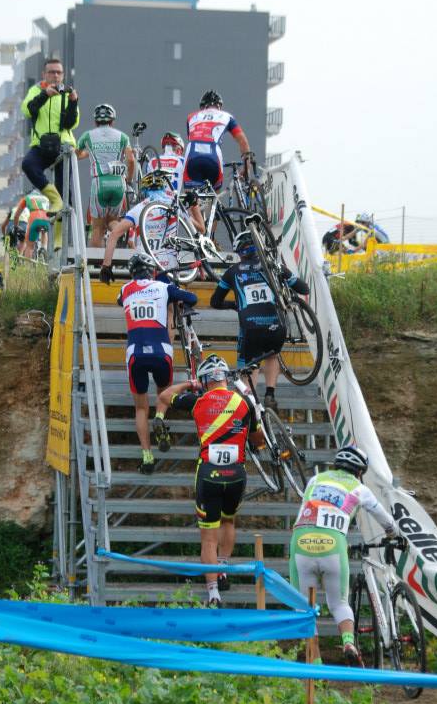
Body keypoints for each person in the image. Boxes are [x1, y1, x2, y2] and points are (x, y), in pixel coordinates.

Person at [154, 354, 264, 607]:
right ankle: (223, 566)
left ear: (205, 380)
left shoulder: (198, 400)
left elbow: (163, 397)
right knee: (229, 520)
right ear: (226, 377)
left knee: (208, 538)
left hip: (208, 474)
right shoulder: (245, 402)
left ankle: (213, 593)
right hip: (236, 474)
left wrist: (188, 384)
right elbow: (258, 440)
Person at [289, 445, 399, 667]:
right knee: (339, 603)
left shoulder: (316, 480)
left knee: (303, 609)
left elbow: (303, 509)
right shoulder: (359, 488)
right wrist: (393, 533)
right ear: (360, 472)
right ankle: (348, 642)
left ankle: (317, 667)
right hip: (333, 544)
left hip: (301, 541)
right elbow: (386, 520)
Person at [210, 229, 309, 412]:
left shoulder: (232, 272)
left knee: (249, 365)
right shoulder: (273, 265)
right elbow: (304, 288)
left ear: (239, 253)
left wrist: (235, 305)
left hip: (250, 329)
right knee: (272, 354)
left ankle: (251, 407)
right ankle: (270, 393)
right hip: (276, 327)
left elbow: (214, 302)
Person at [117, 252, 198, 473]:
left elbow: (119, 300)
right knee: (164, 395)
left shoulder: (124, 290)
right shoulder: (163, 287)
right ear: (152, 270)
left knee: (140, 408)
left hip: (135, 354)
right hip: (162, 351)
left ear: (132, 273)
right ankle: (161, 417)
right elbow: (192, 299)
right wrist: (174, 298)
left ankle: (147, 457)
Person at [99, 171, 205, 284]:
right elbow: (201, 229)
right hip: (169, 266)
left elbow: (114, 235)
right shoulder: (173, 205)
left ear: (144, 191)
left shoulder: (138, 209)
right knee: (169, 298)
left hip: (146, 266)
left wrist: (106, 266)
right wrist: (194, 205)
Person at [21, 58, 80, 249]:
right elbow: (28, 110)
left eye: (58, 72)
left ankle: (59, 240)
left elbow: (71, 123)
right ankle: (53, 199)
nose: (55, 75)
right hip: (41, 144)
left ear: (63, 75)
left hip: (62, 146)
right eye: (51, 72)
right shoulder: (36, 90)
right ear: (44, 74)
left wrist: (73, 102)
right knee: (28, 164)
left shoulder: (66, 93)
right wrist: (45, 95)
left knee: (66, 195)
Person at [76, 103, 136, 247]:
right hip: (118, 182)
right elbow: (131, 160)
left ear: (95, 121)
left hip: (99, 182)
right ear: (112, 121)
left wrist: (90, 152)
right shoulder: (123, 136)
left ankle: (97, 266)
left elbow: (77, 154)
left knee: (97, 228)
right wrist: (129, 179)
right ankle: (128, 238)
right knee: (111, 221)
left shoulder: (87, 136)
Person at [183, 90, 251, 192]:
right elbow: (243, 141)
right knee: (214, 198)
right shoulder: (227, 117)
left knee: (191, 199)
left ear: (202, 107)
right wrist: (247, 166)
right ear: (219, 107)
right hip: (214, 158)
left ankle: (194, 206)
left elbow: (192, 137)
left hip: (193, 156)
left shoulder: (191, 117)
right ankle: (212, 207)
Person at [12, 191, 50, 260]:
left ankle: (27, 267)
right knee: (44, 231)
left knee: (29, 246)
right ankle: (44, 247)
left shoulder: (26, 198)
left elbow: (16, 216)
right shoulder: (46, 198)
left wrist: (15, 227)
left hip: (34, 219)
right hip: (46, 219)